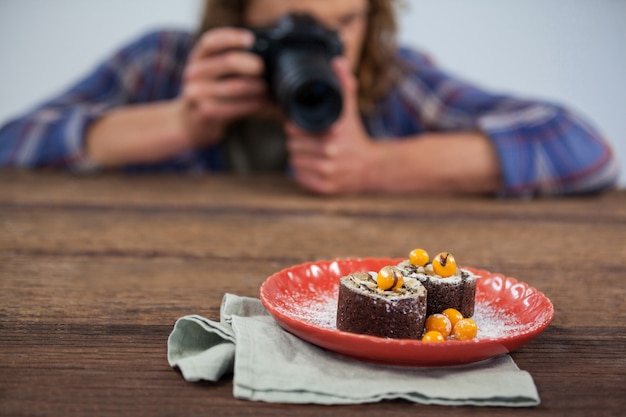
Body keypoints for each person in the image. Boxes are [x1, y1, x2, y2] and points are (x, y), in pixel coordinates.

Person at [0, 0, 619, 197]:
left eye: (340, 26)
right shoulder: (166, 63)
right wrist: (174, 123)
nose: (321, 55)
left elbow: (583, 148)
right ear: (234, 17)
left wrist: (379, 166)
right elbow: (13, 142)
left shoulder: (391, 80)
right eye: (290, 31)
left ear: (372, 21)